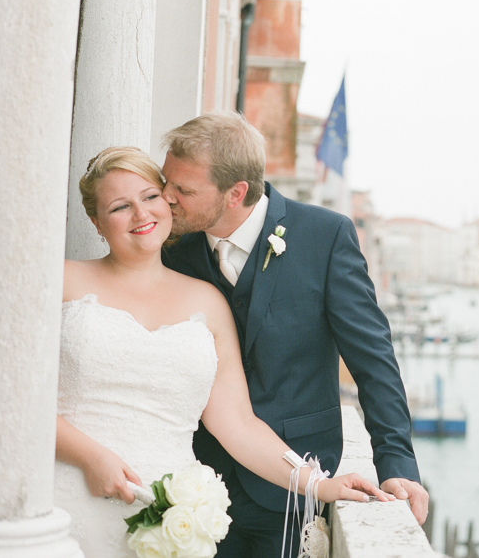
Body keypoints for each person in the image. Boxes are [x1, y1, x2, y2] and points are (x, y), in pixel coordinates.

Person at [55, 147, 393, 558]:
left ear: (169, 201)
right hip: (67, 487)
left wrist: (318, 484)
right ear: (96, 222)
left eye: (150, 197)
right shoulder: (62, 281)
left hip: (170, 511)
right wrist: (91, 456)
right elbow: (11, 395)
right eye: (120, 206)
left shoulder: (208, 301)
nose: (141, 214)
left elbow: (236, 424)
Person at [160, 111, 428, 558]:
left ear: (236, 193)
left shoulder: (324, 235)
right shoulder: (173, 247)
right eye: (165, 182)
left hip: (293, 489)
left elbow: (372, 358)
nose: (165, 199)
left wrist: (396, 462)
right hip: (192, 485)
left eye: (183, 190)